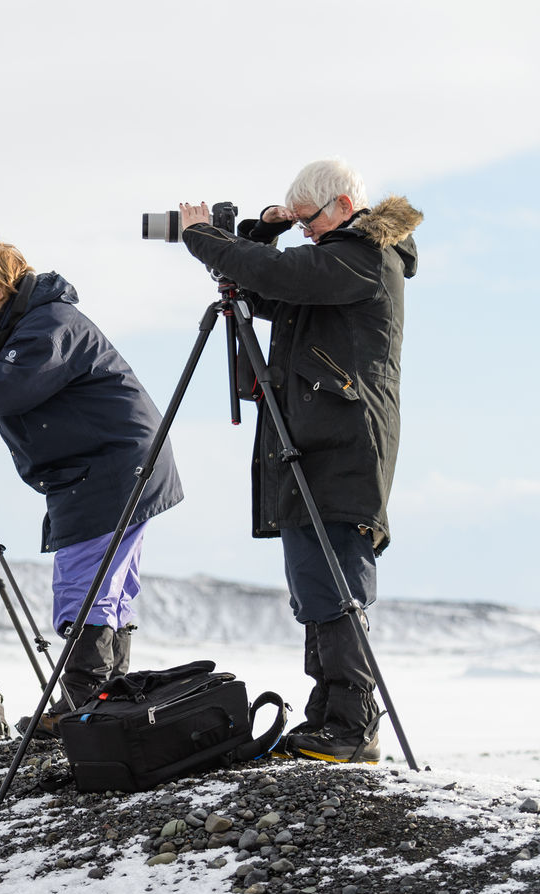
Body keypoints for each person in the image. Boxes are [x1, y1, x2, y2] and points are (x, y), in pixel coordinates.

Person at [177, 158, 422, 764]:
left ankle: (353, 720)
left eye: (310, 219)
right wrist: (259, 233)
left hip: (342, 448)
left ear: (342, 205)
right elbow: (267, 287)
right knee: (313, 582)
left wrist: (206, 238)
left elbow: (283, 274)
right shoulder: (330, 263)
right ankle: (329, 716)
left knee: (337, 581)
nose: (305, 231)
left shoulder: (364, 255)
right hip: (312, 445)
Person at [0, 230, 183, 726]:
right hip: (118, 463)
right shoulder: (31, 324)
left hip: (109, 468)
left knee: (85, 583)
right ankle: (106, 704)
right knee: (110, 587)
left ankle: (82, 705)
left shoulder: (50, 325)